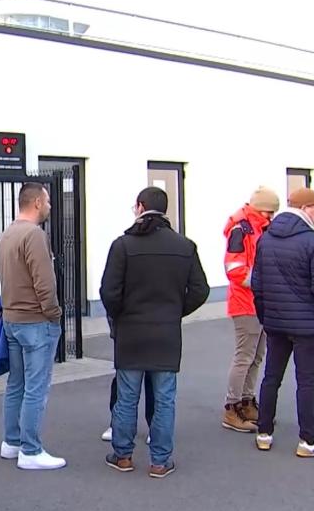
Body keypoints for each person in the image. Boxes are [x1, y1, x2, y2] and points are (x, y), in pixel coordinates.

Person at [100, 187, 209, 477]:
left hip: (131, 333)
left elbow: (108, 292)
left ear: (139, 207)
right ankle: (160, 461)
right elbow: (201, 290)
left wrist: (121, 314)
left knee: (126, 397)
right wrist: (175, 310)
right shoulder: (185, 246)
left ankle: (122, 456)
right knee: (164, 398)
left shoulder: (123, 245)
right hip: (166, 333)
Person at [253, 188, 314, 458]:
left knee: (271, 378)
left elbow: (257, 286)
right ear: (307, 209)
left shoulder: (266, 238)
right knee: (306, 382)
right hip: (307, 326)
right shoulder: (312, 242)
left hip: (276, 322)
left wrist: (266, 318)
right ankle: (307, 440)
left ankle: (264, 433)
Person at [0, 182, 65, 470]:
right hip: (37, 322)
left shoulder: (7, 234)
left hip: (12, 320)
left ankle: (11, 442)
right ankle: (31, 450)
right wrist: (54, 313)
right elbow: (44, 282)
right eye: (47, 201)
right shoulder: (34, 235)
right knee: (36, 388)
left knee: (16, 384)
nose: (49, 206)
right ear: (37, 202)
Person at [221, 187, 280, 433]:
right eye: (269, 212)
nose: (271, 217)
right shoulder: (242, 228)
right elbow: (234, 269)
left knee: (255, 356)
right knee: (244, 356)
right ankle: (232, 407)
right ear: (259, 208)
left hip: (258, 301)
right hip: (246, 303)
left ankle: (246, 401)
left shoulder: (258, 227)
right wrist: (263, 282)